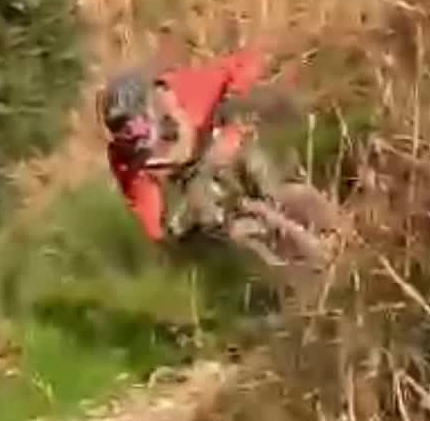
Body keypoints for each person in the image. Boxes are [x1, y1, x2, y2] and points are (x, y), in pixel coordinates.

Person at [99, 51, 338, 266]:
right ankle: (278, 269)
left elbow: (242, 65)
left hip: (223, 137)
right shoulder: (125, 158)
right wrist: (165, 241)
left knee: (266, 179)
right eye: (122, 132)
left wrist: (233, 122)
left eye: (133, 125)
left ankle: (332, 223)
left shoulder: (182, 89)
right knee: (220, 226)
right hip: (192, 176)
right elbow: (148, 210)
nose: (133, 137)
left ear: (148, 106)